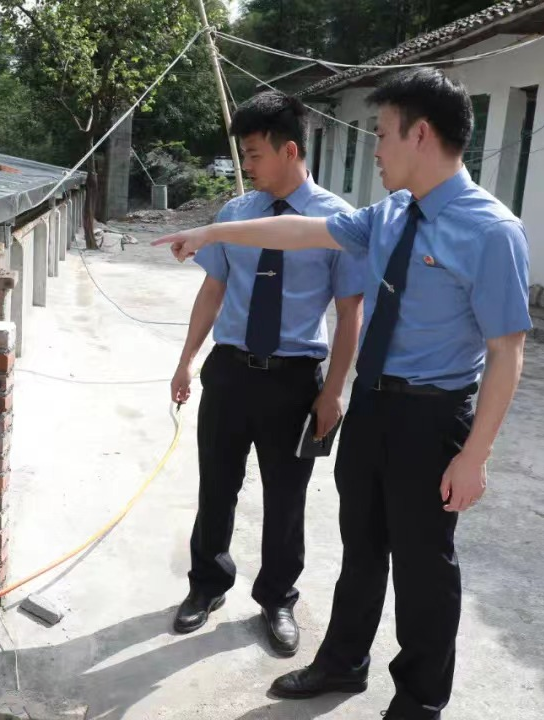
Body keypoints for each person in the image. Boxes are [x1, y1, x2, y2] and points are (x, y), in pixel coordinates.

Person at [155, 68, 530, 719]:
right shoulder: (387, 217)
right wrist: (216, 233)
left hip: (431, 415)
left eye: (382, 135)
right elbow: (300, 232)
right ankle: (343, 663)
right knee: (361, 548)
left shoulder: (490, 231)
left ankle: (418, 698)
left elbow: (507, 352)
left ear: (420, 134)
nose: (376, 150)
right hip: (375, 406)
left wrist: (475, 455)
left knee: (423, 568)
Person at [170, 90, 365, 658]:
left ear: (289, 150)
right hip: (230, 372)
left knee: (286, 497)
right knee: (217, 488)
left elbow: (351, 312)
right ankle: (207, 585)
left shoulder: (338, 221)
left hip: (294, 379)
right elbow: (214, 289)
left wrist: (333, 392)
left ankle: (277, 597)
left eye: (254, 155)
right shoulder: (234, 216)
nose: (246, 166)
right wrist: (186, 360)